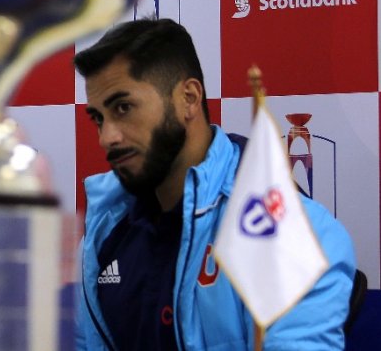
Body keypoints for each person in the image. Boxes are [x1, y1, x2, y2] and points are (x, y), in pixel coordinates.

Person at [73, 18, 356, 350]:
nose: (107, 137)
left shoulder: (297, 234)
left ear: (189, 98)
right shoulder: (103, 232)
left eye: (123, 108)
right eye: (98, 118)